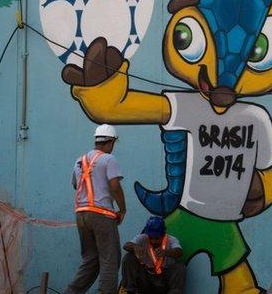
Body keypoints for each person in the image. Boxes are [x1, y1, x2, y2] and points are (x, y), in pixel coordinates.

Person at [65, 124, 126, 294]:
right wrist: (122, 209)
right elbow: (115, 186)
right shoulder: (109, 159)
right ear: (111, 141)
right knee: (110, 259)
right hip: (102, 215)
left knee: (91, 260)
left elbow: (76, 185)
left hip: (81, 215)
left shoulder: (80, 160)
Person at [121, 216, 186, 294]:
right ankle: (130, 290)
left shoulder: (171, 240)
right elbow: (126, 246)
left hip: (163, 280)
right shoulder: (142, 238)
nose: (154, 241)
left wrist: (167, 252)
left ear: (163, 234)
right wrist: (134, 247)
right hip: (145, 278)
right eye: (151, 238)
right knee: (129, 257)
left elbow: (179, 252)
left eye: (157, 238)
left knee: (180, 267)